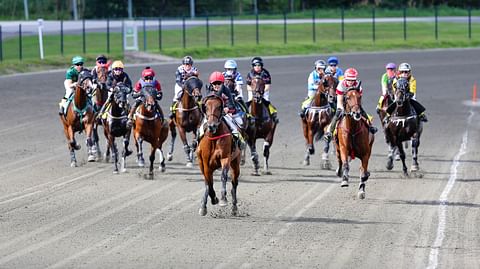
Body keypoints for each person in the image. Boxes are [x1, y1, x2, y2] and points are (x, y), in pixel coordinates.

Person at [324, 68, 378, 142]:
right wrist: (341, 108)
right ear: (345, 78)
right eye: (349, 80)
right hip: (342, 101)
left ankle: (370, 126)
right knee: (338, 113)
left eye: (352, 80)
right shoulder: (341, 85)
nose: (350, 82)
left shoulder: (359, 86)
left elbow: (358, 100)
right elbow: (340, 100)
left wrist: (357, 107)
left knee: (361, 110)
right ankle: (329, 132)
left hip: (354, 102)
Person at [202, 71, 245, 149]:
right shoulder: (209, 90)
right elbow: (204, 103)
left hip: (224, 114)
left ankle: (239, 140)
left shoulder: (226, 90)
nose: (217, 85)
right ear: (211, 84)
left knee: (234, 126)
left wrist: (227, 108)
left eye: (219, 83)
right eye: (215, 84)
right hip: (212, 114)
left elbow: (231, 104)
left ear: (222, 83)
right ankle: (196, 142)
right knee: (202, 126)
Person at [246, 56, 279, 123]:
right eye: (255, 65)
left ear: (261, 66)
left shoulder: (265, 73)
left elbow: (267, 86)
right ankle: (247, 114)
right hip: (253, 91)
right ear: (253, 66)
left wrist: (261, 92)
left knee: (266, 101)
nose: (257, 67)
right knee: (249, 100)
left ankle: (273, 114)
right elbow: (248, 86)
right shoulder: (250, 74)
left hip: (263, 91)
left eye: (259, 65)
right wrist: (254, 92)